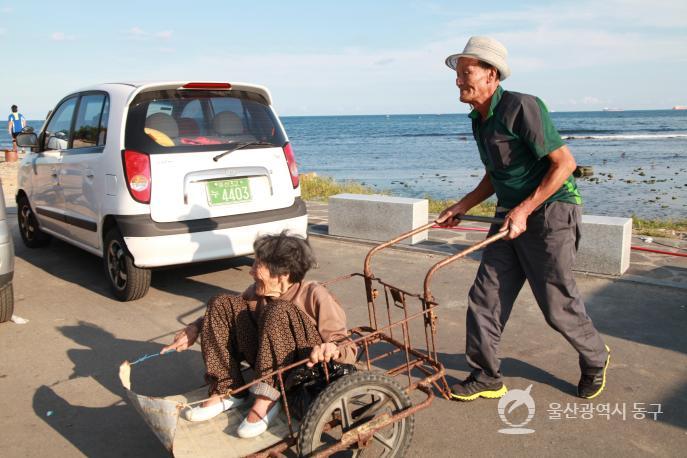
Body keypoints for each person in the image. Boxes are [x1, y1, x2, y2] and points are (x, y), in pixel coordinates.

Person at [436, 36, 610, 402]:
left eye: (466, 72)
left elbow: (565, 164)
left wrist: (525, 209)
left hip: (552, 212)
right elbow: (494, 174)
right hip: (510, 216)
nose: (458, 80)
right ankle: (486, 376)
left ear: (491, 75)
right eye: (458, 73)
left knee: (555, 304)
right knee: (485, 297)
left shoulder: (522, 106)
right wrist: (462, 205)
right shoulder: (479, 120)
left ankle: (595, 357)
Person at [162, 231, 356, 438]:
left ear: (283, 275)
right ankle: (227, 388)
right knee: (221, 302)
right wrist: (195, 327)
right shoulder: (258, 291)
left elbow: (347, 345)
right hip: (267, 359)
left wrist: (331, 348)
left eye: (258, 266)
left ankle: (267, 399)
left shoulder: (314, 294)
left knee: (279, 310)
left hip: (304, 369)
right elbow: (226, 313)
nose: (251, 272)